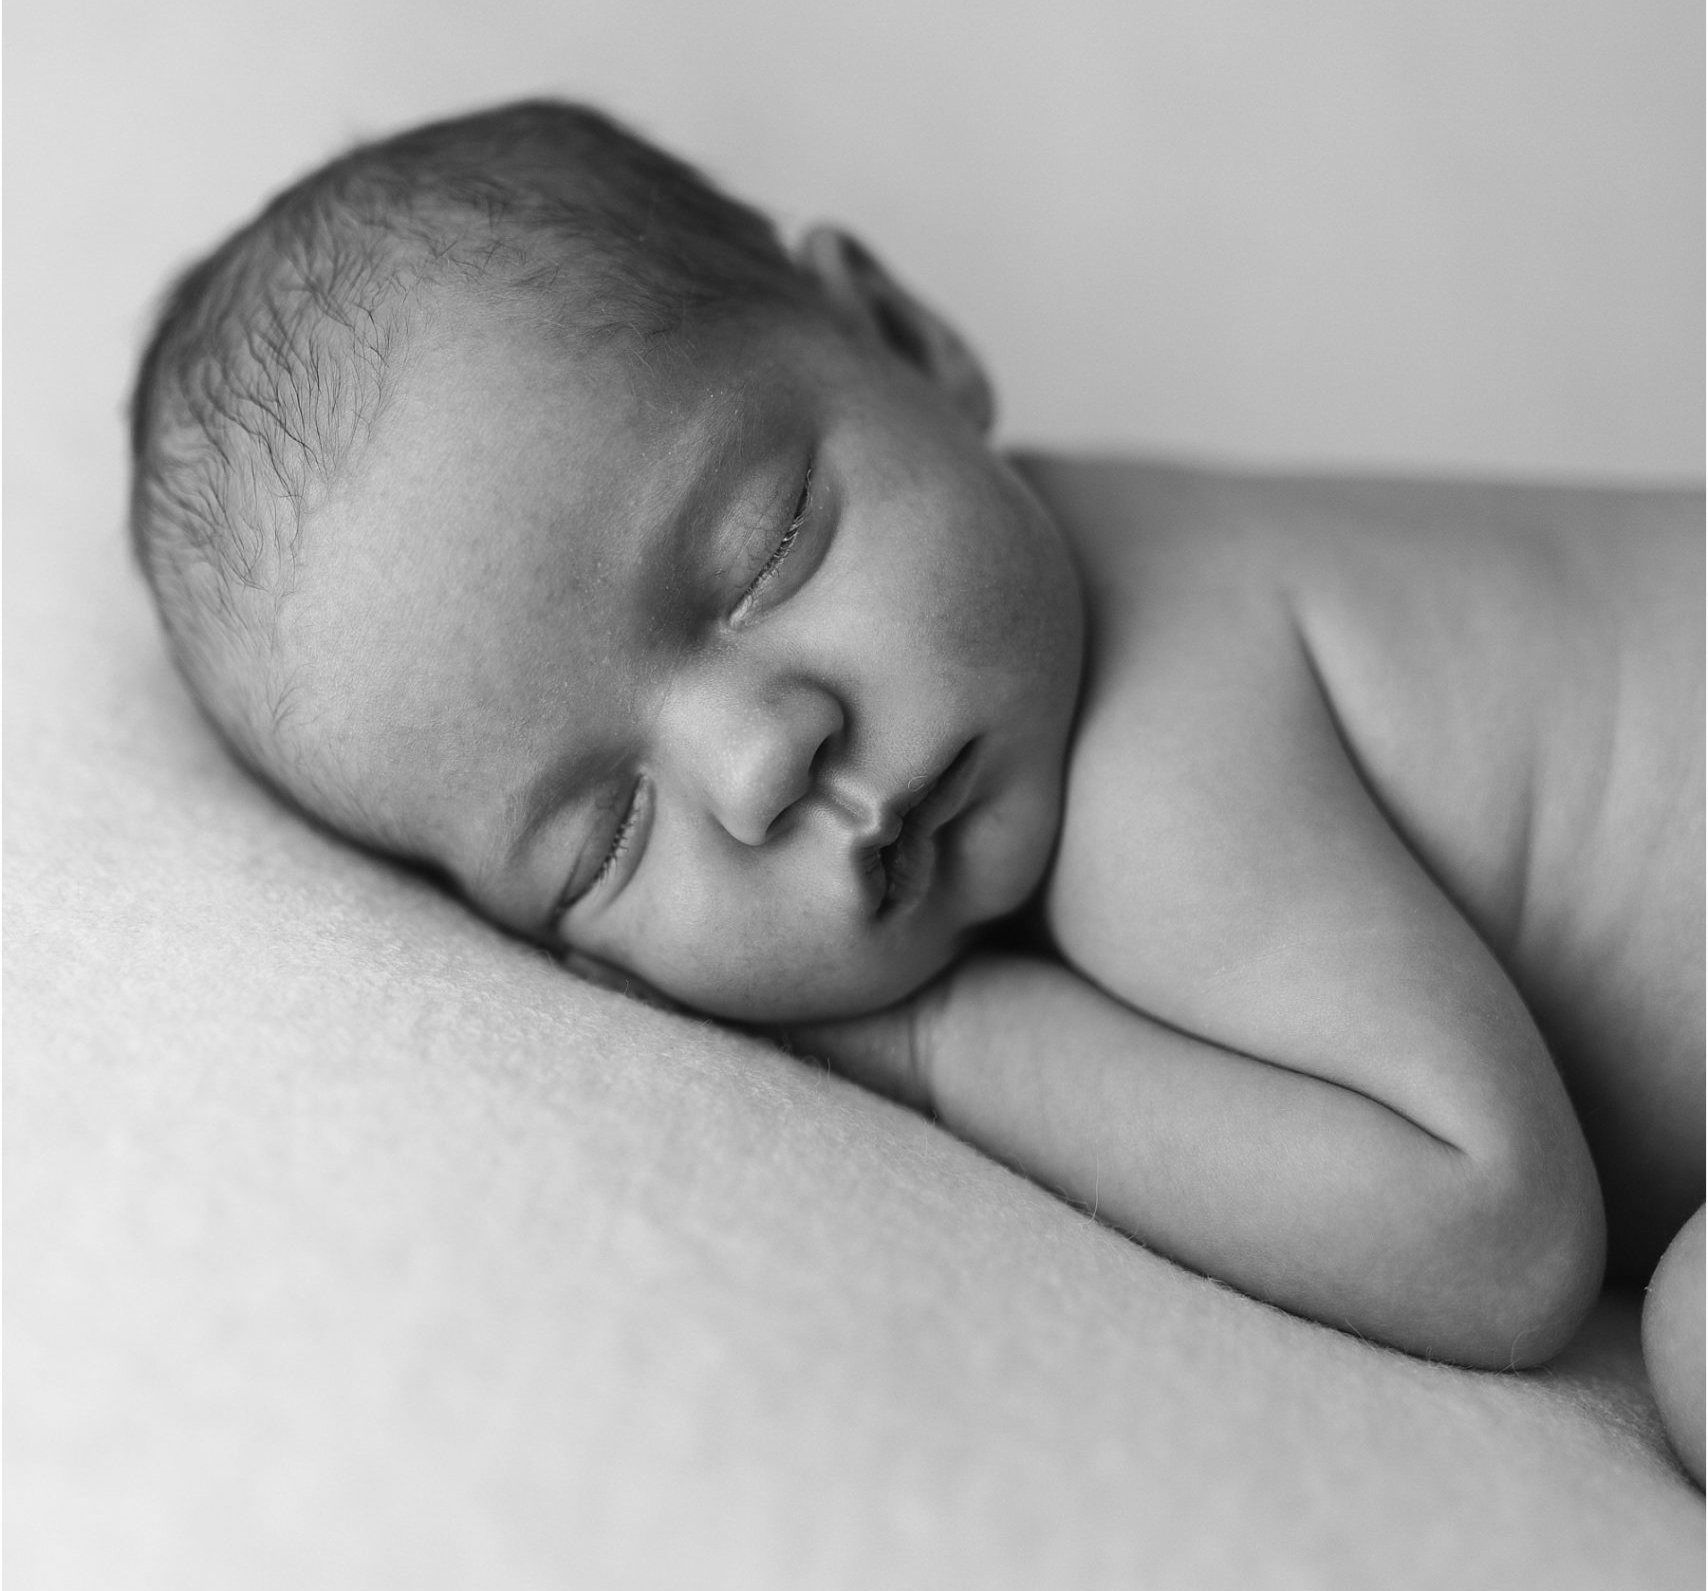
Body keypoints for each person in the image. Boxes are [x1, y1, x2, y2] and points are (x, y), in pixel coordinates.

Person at [129, 101, 1705, 1480]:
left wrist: (946, 1048)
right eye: (605, 841)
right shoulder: (1044, 613)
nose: (761, 763)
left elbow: (1492, 1231)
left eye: (762, 557)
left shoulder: (1166, 753)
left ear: (906, 341)